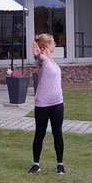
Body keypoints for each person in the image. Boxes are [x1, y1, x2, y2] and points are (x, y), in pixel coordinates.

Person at [28, 33, 65, 175]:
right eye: (53, 42)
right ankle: (36, 164)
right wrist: (38, 54)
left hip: (57, 103)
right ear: (47, 45)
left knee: (58, 133)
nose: (55, 45)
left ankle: (60, 164)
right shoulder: (43, 59)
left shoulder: (52, 61)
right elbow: (40, 58)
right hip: (43, 103)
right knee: (40, 133)